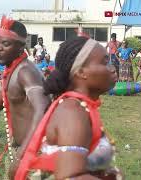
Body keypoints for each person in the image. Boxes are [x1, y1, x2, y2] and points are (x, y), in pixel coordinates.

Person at [15, 37, 123, 180]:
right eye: (104, 62)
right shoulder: (72, 112)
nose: (112, 68)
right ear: (81, 72)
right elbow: (70, 176)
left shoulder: (79, 106)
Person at [0, 16, 50, 179]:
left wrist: (23, 155)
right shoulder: (12, 70)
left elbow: (43, 108)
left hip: (35, 155)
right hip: (24, 151)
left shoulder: (25, 72)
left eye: (5, 44)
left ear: (21, 48)